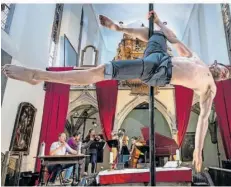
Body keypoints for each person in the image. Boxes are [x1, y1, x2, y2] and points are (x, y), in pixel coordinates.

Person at [2, 11, 231, 172]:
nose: (223, 75)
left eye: (226, 77)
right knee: (157, 34)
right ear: (218, 63)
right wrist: (159, 22)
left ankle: (38, 75)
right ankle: (119, 28)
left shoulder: (209, 89)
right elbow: (175, 38)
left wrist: (198, 151)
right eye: (225, 70)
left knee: (101, 71)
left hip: (158, 71)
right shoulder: (197, 58)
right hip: (162, 56)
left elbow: (202, 121)